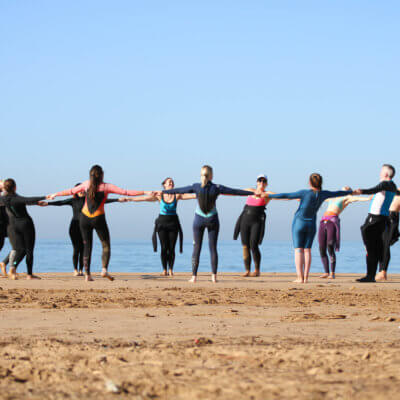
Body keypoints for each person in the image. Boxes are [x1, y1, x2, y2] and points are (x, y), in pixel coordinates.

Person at [48, 165, 150, 282]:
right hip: (98, 218)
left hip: (84, 218)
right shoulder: (106, 186)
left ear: (90, 175)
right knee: (105, 244)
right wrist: (146, 192)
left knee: (87, 246)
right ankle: (104, 269)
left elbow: (71, 191)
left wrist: (55, 194)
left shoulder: (86, 184)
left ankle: (87, 275)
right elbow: (126, 192)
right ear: (102, 174)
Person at [162, 165, 255, 283]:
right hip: (212, 219)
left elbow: (180, 190)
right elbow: (234, 191)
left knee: (197, 248)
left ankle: (194, 277)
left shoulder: (196, 186)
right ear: (211, 175)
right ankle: (214, 277)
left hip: (199, 220)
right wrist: (250, 193)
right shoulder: (217, 187)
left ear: (201, 175)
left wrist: (164, 191)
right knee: (213, 248)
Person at [265, 174, 352, 283]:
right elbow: (338, 193)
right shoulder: (323, 194)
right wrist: (350, 191)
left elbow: (286, 195)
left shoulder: (304, 193)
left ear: (310, 183)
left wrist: (268, 196)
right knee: (307, 250)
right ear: (321, 183)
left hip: (299, 223)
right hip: (311, 225)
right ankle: (305, 278)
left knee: (298, 250)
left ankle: (299, 277)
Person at [41, 184, 122, 276]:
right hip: (74, 227)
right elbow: (61, 202)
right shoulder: (73, 200)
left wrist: (117, 200)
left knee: (84, 249)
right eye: (79, 190)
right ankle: (75, 270)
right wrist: (47, 203)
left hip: (85, 227)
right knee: (76, 249)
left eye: (83, 190)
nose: (81, 191)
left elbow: (104, 201)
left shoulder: (90, 200)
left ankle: (81, 270)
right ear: (76, 191)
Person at [121, 177, 196, 276]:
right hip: (162, 224)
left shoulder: (176, 195)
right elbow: (144, 198)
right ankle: (164, 269)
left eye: (172, 182)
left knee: (172, 248)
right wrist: (130, 199)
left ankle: (171, 269)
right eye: (169, 182)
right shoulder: (159, 195)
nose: (171, 183)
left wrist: (203, 194)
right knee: (164, 248)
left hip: (173, 224)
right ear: (164, 185)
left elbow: (191, 196)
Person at [353, 164, 399, 282]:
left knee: (368, 242)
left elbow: (373, 190)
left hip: (375, 218)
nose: (379, 173)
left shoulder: (385, 184)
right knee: (375, 247)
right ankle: (371, 275)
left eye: (381, 171)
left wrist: (361, 191)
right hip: (383, 219)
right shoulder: (393, 185)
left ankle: (370, 275)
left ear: (385, 174)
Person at [0, 179, 48, 280]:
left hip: (13, 226)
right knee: (29, 250)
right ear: (15, 187)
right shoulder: (17, 198)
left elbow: (27, 201)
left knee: (20, 250)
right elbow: (28, 200)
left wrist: (37, 202)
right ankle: (29, 274)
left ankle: (13, 266)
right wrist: (45, 197)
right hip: (26, 225)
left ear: (4, 188)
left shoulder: (3, 199)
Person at [318, 190, 371, 279]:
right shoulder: (333, 198)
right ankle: (326, 272)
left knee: (330, 246)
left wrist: (367, 199)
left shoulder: (346, 198)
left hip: (332, 221)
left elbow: (356, 199)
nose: (345, 187)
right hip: (323, 222)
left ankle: (332, 273)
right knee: (321, 248)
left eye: (347, 188)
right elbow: (321, 197)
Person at [233, 174, 275, 277]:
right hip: (244, 221)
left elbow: (278, 196)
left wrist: (294, 197)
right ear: (256, 182)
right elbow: (237, 192)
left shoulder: (267, 194)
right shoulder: (250, 191)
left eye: (264, 181)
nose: (261, 183)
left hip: (257, 222)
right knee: (245, 246)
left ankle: (257, 270)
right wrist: (254, 192)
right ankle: (247, 270)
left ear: (266, 184)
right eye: (259, 181)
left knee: (253, 245)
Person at [376, 195, 400, 281]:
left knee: (385, 246)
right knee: (382, 246)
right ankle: (381, 271)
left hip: (391, 216)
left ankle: (383, 272)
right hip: (387, 216)